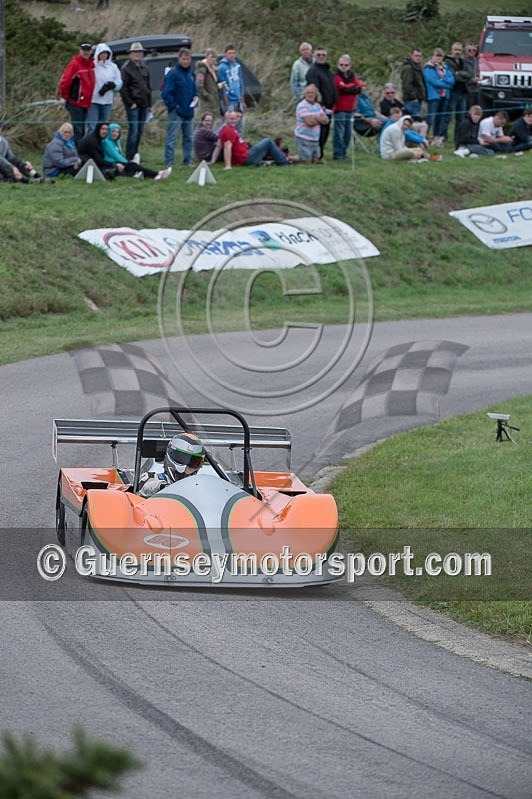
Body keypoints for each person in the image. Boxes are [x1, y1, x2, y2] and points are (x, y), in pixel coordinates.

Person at [214, 110, 291, 168]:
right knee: (268, 141)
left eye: (235, 118)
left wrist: (212, 161)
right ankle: (284, 162)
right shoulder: (228, 130)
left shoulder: (225, 129)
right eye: (231, 119)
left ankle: (281, 157)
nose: (234, 121)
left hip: (246, 153)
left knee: (265, 144)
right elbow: (227, 147)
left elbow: (218, 146)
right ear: (226, 119)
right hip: (246, 159)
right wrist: (228, 166)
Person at [161, 48, 198, 168]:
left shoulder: (191, 74)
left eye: (188, 59)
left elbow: (194, 89)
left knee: (189, 137)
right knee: (172, 137)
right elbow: (166, 93)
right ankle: (169, 160)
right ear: (179, 59)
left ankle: (187, 160)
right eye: (184, 59)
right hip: (176, 111)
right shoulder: (173, 73)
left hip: (189, 111)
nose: (186, 61)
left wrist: (195, 97)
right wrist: (174, 107)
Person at [138, 433, 205, 498]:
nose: (188, 467)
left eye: (193, 462)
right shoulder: (154, 478)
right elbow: (143, 487)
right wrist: (164, 487)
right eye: (183, 458)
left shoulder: (197, 486)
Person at [102, 123, 171, 179]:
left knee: (134, 167)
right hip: (111, 163)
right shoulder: (107, 142)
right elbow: (115, 155)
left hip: (117, 162)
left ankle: (154, 175)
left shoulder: (116, 142)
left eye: (117, 132)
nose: (115, 133)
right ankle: (156, 174)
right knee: (133, 166)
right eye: (113, 131)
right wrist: (127, 162)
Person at [120, 42, 152, 161]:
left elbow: (148, 87)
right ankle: (129, 156)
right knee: (133, 131)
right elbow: (123, 88)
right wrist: (129, 103)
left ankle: (135, 154)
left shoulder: (144, 68)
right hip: (133, 104)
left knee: (139, 131)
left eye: (140, 52)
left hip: (144, 104)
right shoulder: (126, 69)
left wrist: (149, 104)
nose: (138, 54)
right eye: (135, 52)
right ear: (131, 54)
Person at [58, 42, 95, 146]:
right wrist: (64, 96)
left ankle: (78, 153)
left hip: (86, 103)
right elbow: (65, 82)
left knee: (82, 130)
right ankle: (76, 154)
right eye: (84, 50)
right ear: (80, 51)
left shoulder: (91, 64)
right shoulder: (74, 64)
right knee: (77, 131)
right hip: (75, 102)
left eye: (88, 50)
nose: (86, 53)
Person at [305, 47, 338, 160]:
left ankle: (319, 154)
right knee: (319, 132)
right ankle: (316, 155)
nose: (321, 57)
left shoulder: (328, 71)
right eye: (319, 55)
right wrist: (319, 105)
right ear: (314, 56)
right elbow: (313, 90)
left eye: (323, 55)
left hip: (330, 107)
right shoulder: (313, 71)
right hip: (320, 107)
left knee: (325, 131)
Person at [86, 42, 122, 132]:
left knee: (104, 127)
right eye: (101, 53)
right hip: (93, 101)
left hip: (107, 102)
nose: (104, 55)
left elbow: (119, 82)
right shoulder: (92, 66)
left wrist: (113, 85)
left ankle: (101, 145)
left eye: (106, 53)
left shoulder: (113, 67)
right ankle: (91, 145)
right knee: (92, 127)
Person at [442, 42, 474, 142]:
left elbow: (470, 74)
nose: (457, 52)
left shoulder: (463, 61)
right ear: (452, 50)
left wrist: (459, 73)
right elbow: (452, 76)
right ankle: (443, 137)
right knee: (447, 116)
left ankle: (458, 137)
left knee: (460, 118)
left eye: (459, 50)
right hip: (453, 91)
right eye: (455, 50)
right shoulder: (447, 61)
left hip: (463, 92)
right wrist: (461, 76)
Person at [424, 48, 454, 145]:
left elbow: (452, 79)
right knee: (431, 117)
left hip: (444, 96)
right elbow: (433, 81)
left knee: (440, 118)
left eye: (440, 56)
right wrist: (446, 84)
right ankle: (425, 136)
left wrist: (443, 82)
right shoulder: (429, 68)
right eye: (436, 55)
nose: (438, 58)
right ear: (433, 56)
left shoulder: (445, 68)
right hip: (434, 96)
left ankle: (437, 137)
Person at [332, 55, 360, 160]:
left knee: (348, 133)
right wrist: (350, 87)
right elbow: (341, 88)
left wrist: (348, 87)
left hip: (351, 109)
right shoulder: (336, 76)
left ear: (350, 66)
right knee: (339, 133)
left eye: (346, 65)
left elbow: (358, 88)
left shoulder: (353, 75)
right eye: (341, 65)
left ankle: (343, 153)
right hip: (340, 108)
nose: (343, 67)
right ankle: (337, 154)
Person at [294, 83, 328, 162]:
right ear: (304, 94)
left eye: (312, 93)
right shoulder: (302, 105)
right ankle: (287, 157)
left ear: (316, 94)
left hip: (315, 138)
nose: (310, 95)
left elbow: (326, 120)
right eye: (308, 93)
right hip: (303, 137)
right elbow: (310, 123)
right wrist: (319, 119)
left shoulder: (317, 106)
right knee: (305, 160)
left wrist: (314, 118)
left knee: (316, 160)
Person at [218, 45, 246, 131]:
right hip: (229, 99)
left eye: (233, 53)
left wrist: (242, 99)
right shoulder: (222, 67)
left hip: (237, 99)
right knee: (229, 124)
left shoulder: (237, 66)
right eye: (229, 53)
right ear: (225, 54)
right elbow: (222, 85)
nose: (232, 55)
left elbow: (240, 82)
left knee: (240, 124)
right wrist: (227, 103)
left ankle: (238, 141)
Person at [195, 49, 222, 120]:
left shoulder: (214, 70)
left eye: (215, 57)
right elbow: (199, 85)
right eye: (211, 57)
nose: (213, 59)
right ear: (207, 57)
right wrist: (207, 96)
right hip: (206, 103)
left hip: (214, 101)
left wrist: (219, 87)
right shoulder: (202, 69)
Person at [400, 48, 427, 118]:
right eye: (416, 55)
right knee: (411, 119)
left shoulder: (418, 68)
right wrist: (413, 97)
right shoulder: (408, 68)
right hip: (411, 99)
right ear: (411, 56)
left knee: (416, 119)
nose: (418, 58)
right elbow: (407, 85)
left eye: (420, 56)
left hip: (418, 98)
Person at [463, 42, 480, 107]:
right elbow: (460, 75)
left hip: (476, 89)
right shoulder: (462, 61)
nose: (472, 52)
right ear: (465, 51)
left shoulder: (476, 60)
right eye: (469, 50)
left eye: (474, 50)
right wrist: (471, 80)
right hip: (466, 90)